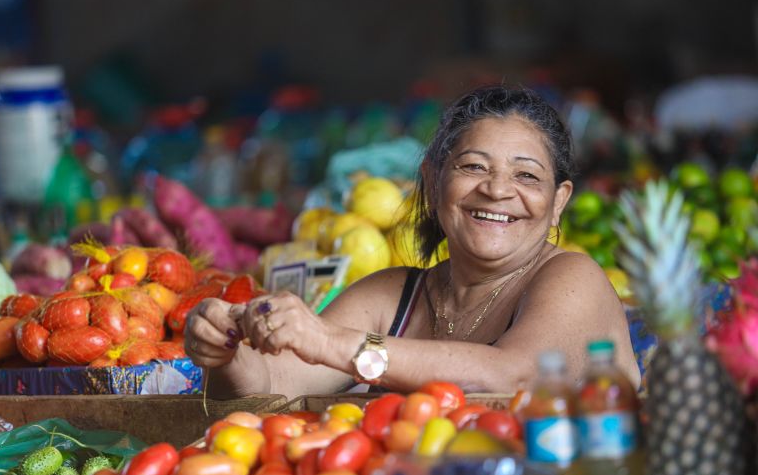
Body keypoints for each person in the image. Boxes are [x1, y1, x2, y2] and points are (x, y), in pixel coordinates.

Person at [185, 86, 640, 399]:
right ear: (433, 180)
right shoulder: (393, 295)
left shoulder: (572, 277)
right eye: (474, 167)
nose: (498, 190)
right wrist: (223, 352)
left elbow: (511, 375)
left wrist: (330, 342)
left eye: (526, 175)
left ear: (558, 201)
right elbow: (273, 383)